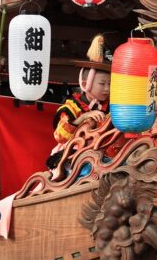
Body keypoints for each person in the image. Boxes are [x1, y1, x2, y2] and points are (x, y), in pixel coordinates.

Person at [47, 35, 111, 169]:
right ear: (85, 83)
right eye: (102, 83)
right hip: (73, 155)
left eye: (110, 84)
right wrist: (82, 118)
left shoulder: (111, 107)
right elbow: (60, 137)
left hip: (102, 153)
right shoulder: (71, 107)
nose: (107, 88)